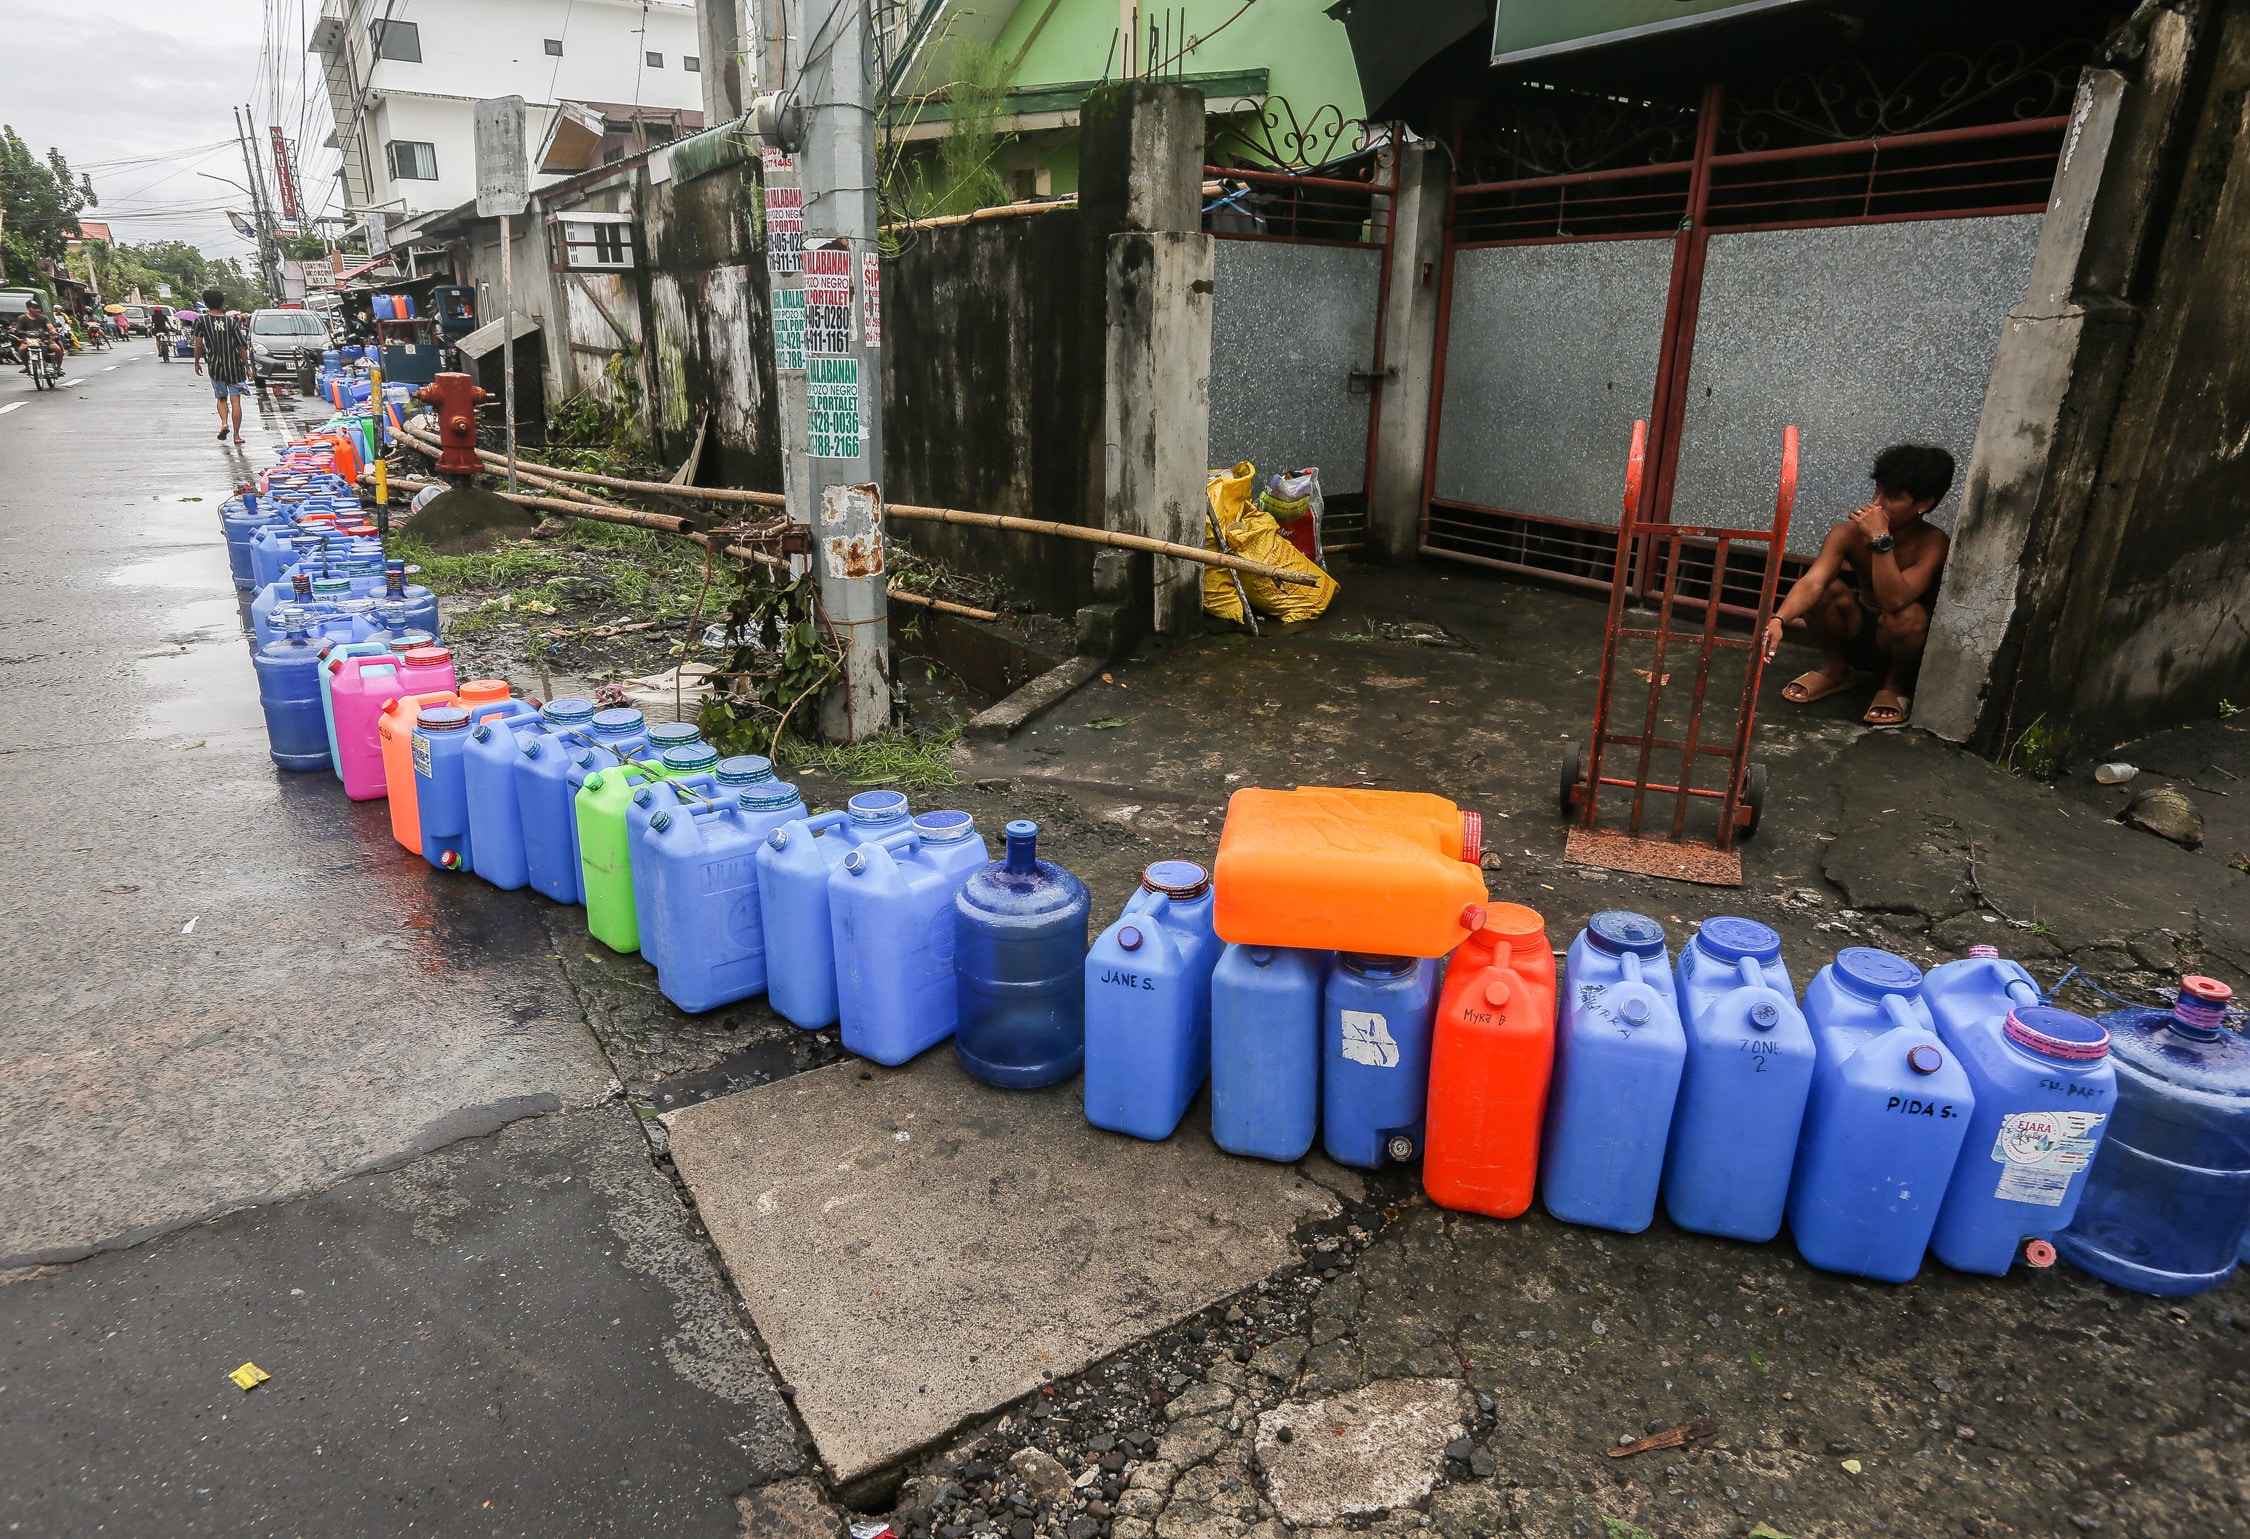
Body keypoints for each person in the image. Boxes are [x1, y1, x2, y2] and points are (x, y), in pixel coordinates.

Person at [1763, 443, 1954, 728]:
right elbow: (1814, 581)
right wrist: (1779, 618)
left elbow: (1895, 601)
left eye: (1892, 497)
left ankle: (1894, 687)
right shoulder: (1848, 533)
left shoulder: (1934, 544)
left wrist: (1880, 539)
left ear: (1923, 504)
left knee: (1909, 615)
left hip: (1897, 642)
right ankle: (1837, 671)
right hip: (1857, 628)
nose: (1876, 504)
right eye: (1877, 490)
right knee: (1826, 590)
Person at [191, 289, 250, 442]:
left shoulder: (201, 321)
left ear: (206, 303)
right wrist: (247, 367)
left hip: (215, 367)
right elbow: (241, 347)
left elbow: (198, 345)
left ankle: (224, 423)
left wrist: (197, 362)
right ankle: (237, 436)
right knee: (236, 400)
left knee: (221, 398)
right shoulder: (231, 322)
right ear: (222, 303)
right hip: (234, 367)